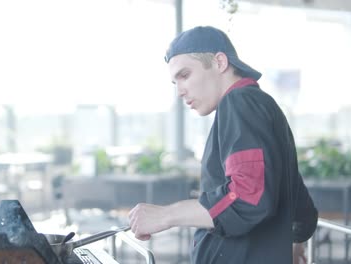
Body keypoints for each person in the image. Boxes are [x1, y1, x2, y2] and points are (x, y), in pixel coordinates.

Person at [128, 26, 318, 263]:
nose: (179, 91)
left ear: (219, 62)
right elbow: (303, 211)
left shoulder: (240, 102)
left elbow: (248, 197)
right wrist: (293, 242)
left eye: (184, 75)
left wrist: (166, 215)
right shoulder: (262, 106)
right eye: (174, 82)